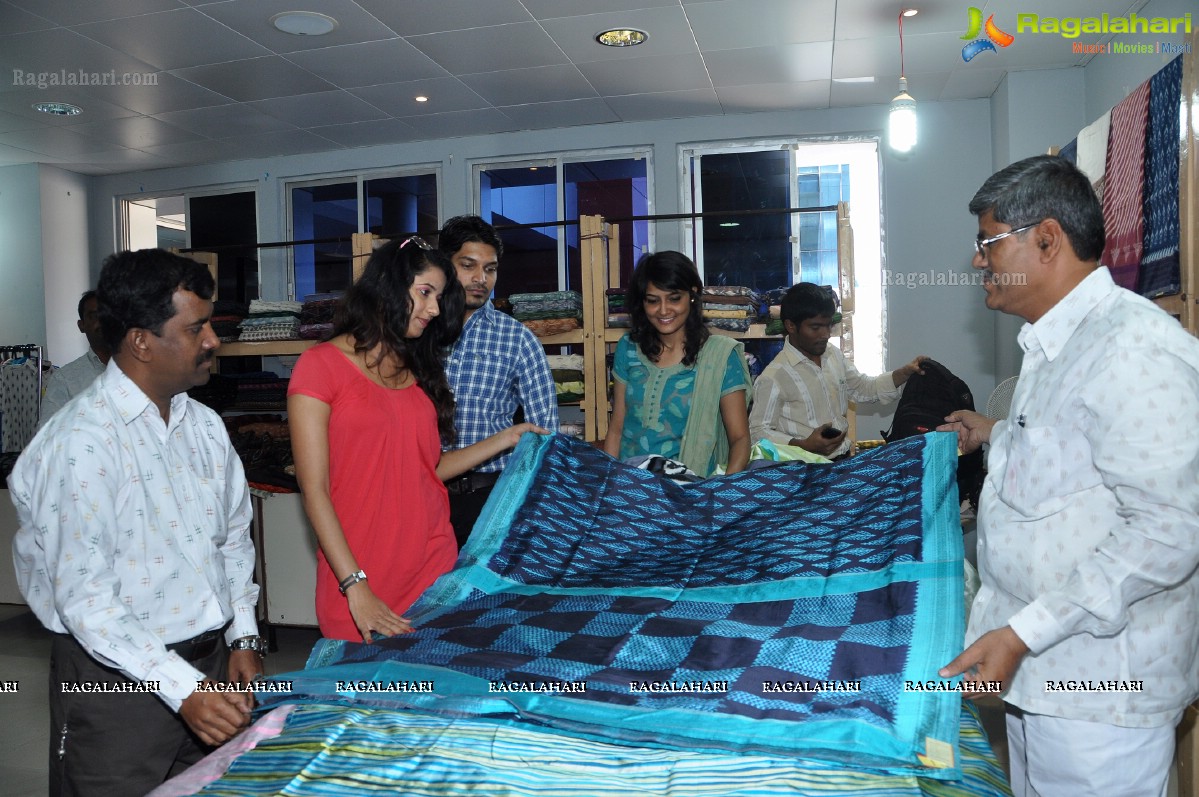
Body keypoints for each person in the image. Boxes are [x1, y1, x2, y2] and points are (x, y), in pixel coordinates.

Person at [937, 155, 1199, 797]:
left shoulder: (1132, 350)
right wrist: (993, 434)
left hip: (1102, 692)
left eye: (988, 245)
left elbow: (1171, 530)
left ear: (1046, 240)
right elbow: (1073, 463)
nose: (978, 263)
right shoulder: (1056, 345)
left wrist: (1025, 633)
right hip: (1045, 679)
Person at [9, 249, 264, 797]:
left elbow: (232, 539)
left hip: (210, 667)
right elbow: (85, 599)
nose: (213, 342)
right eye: (196, 329)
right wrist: (182, 689)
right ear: (141, 341)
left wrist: (243, 635)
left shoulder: (204, 427)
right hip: (117, 687)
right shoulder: (81, 443)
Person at [288, 236, 545, 644]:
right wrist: (355, 585)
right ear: (387, 287)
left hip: (432, 566)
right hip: (360, 574)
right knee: (360, 702)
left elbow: (429, 468)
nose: (433, 309)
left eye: (439, 297)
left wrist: (508, 437)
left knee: (429, 698)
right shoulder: (319, 367)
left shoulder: (417, 370)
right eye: (424, 293)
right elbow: (314, 490)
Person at [438, 215, 558, 546]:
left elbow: (543, 435)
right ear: (444, 265)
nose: (480, 278)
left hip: (491, 498)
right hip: (423, 496)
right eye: (468, 265)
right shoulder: (420, 330)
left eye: (490, 269)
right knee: (422, 594)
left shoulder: (517, 339)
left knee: (484, 596)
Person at [603, 250, 752, 477]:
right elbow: (617, 428)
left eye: (674, 298)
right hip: (630, 489)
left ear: (692, 295)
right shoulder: (629, 347)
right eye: (653, 301)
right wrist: (608, 485)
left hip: (690, 493)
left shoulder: (719, 356)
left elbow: (740, 439)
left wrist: (723, 494)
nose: (663, 310)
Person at [749, 282, 926, 458]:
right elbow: (757, 432)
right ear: (791, 326)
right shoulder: (774, 377)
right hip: (802, 470)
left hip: (841, 461)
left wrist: (904, 373)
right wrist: (803, 445)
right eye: (815, 327)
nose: (825, 334)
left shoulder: (833, 355)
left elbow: (862, 388)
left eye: (828, 325)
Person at [38, 290, 110, 428]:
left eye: (107, 314)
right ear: (81, 325)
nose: (102, 321)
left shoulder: (142, 372)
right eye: (94, 316)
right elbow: (47, 433)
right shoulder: (64, 380)